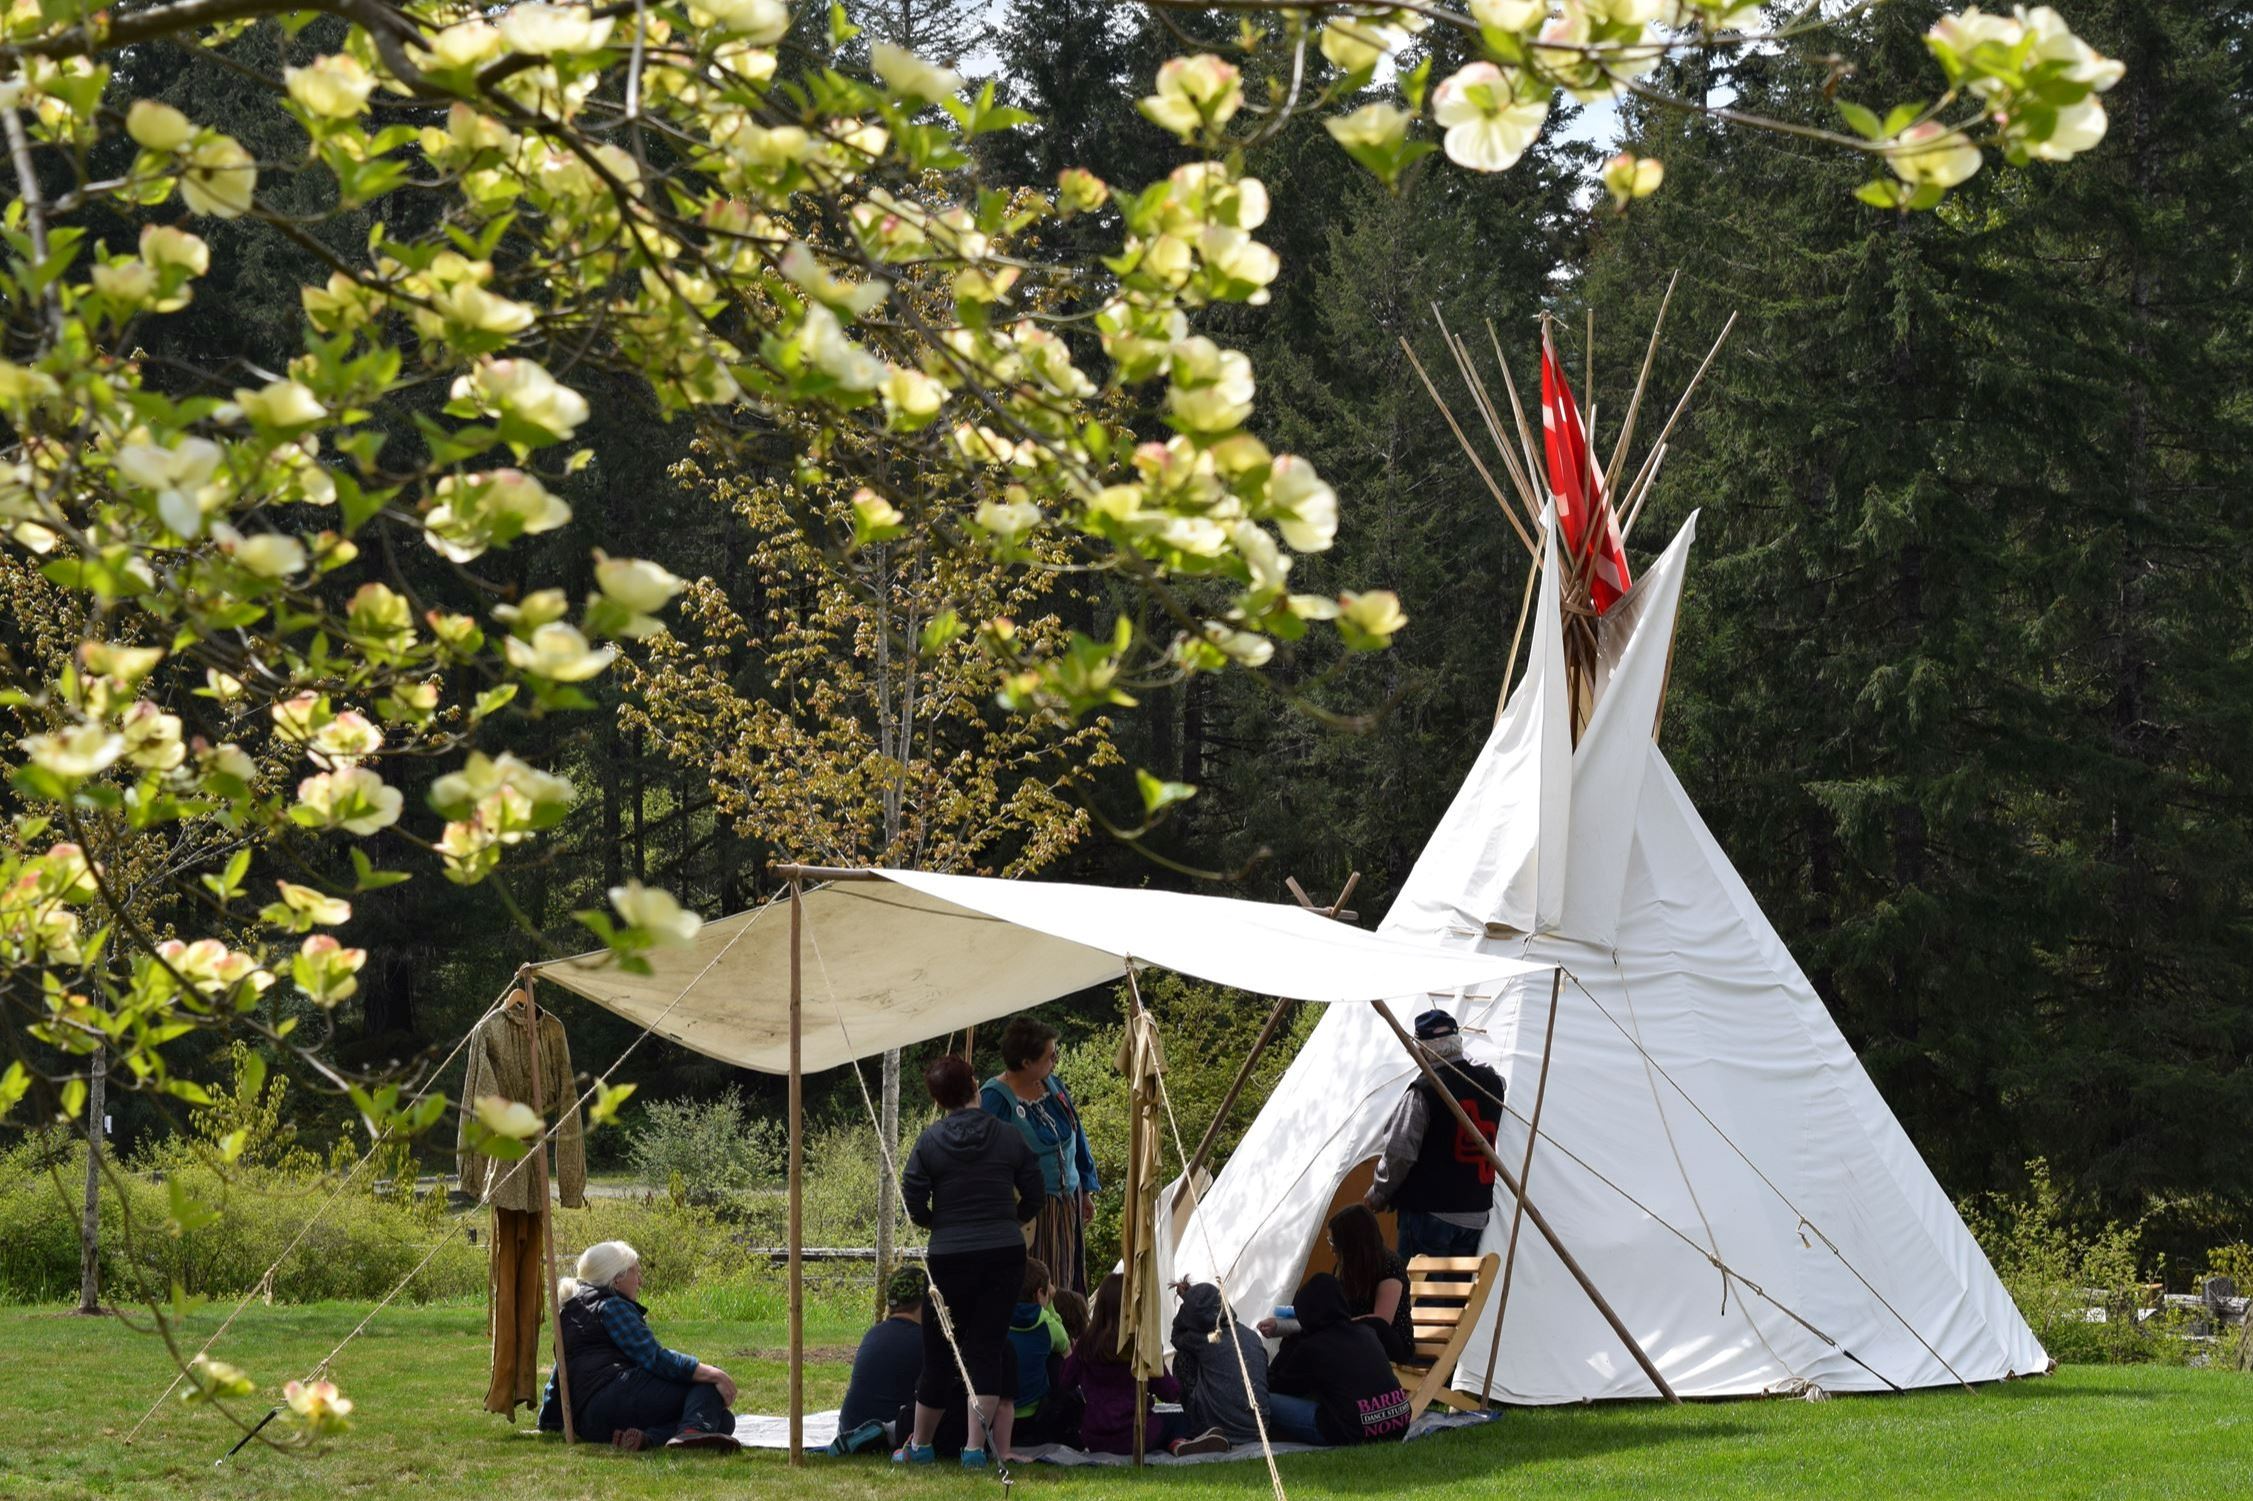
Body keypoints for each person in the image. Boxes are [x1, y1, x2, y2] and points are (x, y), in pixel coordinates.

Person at [899, 1053, 1043, 1467]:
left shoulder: (930, 1141)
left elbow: (911, 1193)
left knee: (939, 1348)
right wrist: (1013, 1218)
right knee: (986, 1347)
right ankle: (975, 1450)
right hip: (1003, 1253)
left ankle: (922, 1446)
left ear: (939, 1099)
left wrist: (934, 1222)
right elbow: (1034, 1187)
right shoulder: (1008, 1135)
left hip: (950, 1254)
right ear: (975, 1085)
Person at [539, 1240, 739, 1452]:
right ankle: (692, 1433)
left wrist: (549, 1421)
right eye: (636, 1273)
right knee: (705, 1384)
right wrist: (715, 1374)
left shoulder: (572, 1310)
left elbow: (560, 1371)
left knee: (723, 1420)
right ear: (617, 1279)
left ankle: (651, 1438)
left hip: (589, 1424)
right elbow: (654, 1358)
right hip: (615, 1399)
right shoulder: (612, 1305)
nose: (640, 1281)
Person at [1364, 1008, 1506, 1261]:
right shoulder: (1492, 1084)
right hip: (1475, 1214)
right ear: (1458, 1043)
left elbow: (1399, 1152)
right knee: (1459, 1299)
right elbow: (1497, 1078)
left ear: (1421, 1049)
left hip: (1430, 1214)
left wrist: (1379, 1194)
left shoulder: (1424, 1091)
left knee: (1420, 1298)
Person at [982, 1015, 1100, 1295]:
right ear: (1026, 1062)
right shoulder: (995, 1099)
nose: (1055, 1060)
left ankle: (1066, 1336)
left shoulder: (1053, 1086)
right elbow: (981, 1159)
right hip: (1030, 1212)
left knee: (1066, 1278)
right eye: (1051, 1055)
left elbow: (1076, 1136)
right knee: (1036, 1283)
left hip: (1067, 1203)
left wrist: (1085, 1192)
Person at [1060, 1272, 1229, 1457]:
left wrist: (1070, 1354)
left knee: (1163, 1422)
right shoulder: (1140, 1346)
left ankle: (1178, 1442)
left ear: (1100, 1306)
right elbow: (1170, 1392)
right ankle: (1177, 1442)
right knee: (1179, 1420)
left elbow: (1065, 1381)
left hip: (1095, 1437)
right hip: (1138, 1435)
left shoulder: (1086, 1344)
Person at [1265, 1273, 1414, 1447]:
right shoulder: (1367, 1332)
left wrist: (1286, 1345)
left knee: (1264, 1400)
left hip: (1352, 1431)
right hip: (1399, 1423)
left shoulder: (1313, 1347)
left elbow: (1280, 1387)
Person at [828, 1265, 930, 1455]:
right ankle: (884, 1433)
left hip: (848, 1423)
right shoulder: (924, 1341)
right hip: (893, 1425)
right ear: (926, 1301)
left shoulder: (873, 1333)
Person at [1170, 1278, 1270, 1446]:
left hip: (1221, 1428)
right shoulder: (1251, 1336)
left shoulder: (1201, 1339)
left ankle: (1201, 1429)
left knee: (1183, 1358)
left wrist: (1186, 1305)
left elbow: (1176, 1336)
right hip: (1258, 1430)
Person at [1006, 1257, 1079, 1445]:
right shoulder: (1047, 1325)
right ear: (1040, 1293)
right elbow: (1066, 1346)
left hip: (1000, 1415)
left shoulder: (1000, 1319)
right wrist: (1051, 1304)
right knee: (1057, 1360)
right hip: (1035, 1416)